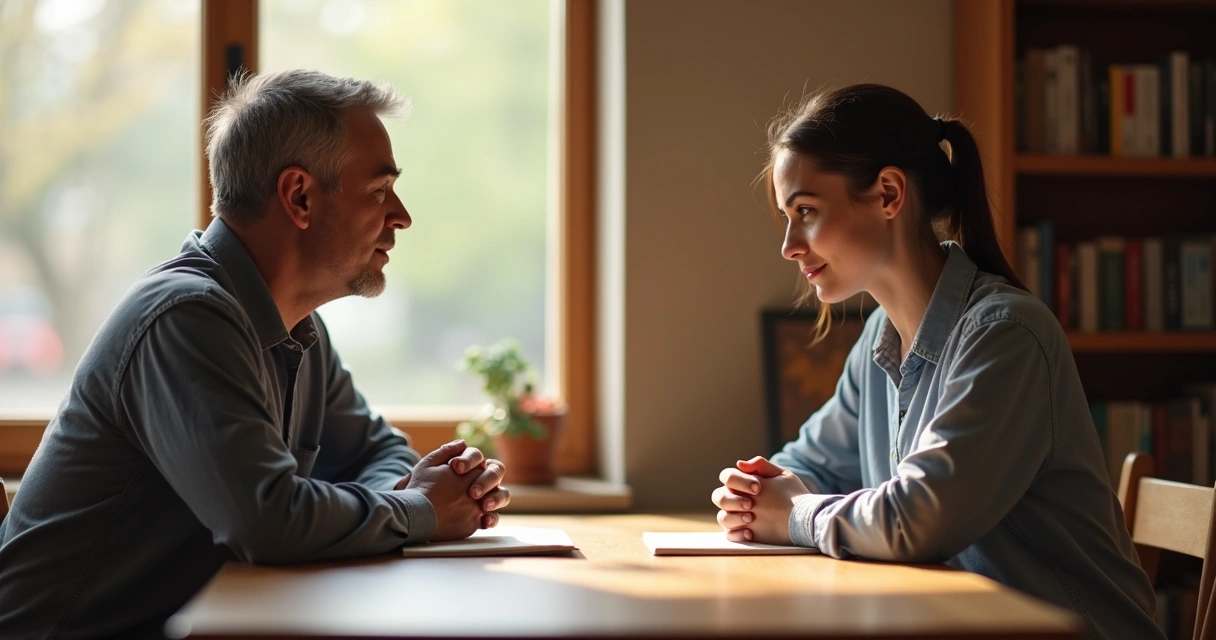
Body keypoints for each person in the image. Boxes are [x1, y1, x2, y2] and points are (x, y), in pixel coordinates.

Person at [0, 70, 510, 639]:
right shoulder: (186, 318)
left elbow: (378, 449)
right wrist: (420, 510)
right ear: (299, 196)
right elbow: (266, 520)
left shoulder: (298, 326)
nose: (401, 216)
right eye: (377, 190)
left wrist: (402, 500)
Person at [711, 84, 1162, 639]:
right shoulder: (880, 337)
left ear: (889, 194)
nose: (788, 245)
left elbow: (918, 521)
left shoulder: (1005, 336)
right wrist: (755, 492)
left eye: (805, 210)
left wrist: (793, 515)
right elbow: (812, 466)